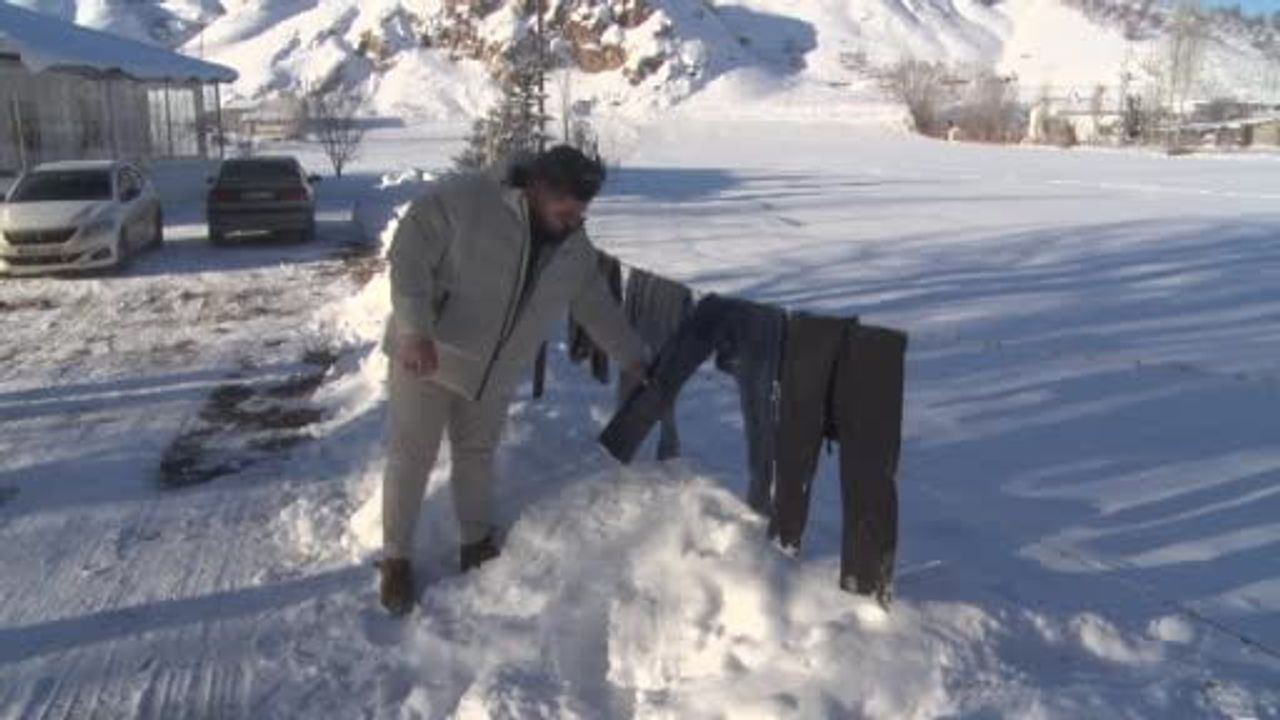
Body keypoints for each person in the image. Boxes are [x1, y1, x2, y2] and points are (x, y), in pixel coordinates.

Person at [379, 146, 648, 615]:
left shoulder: (573, 248)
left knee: (477, 455)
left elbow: (596, 306)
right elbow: (408, 259)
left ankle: (475, 541)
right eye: (568, 207)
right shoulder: (466, 199)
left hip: (494, 371)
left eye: (583, 209)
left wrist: (632, 358)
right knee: (412, 455)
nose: (575, 218)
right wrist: (414, 329)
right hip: (427, 354)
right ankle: (396, 558)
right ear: (539, 188)